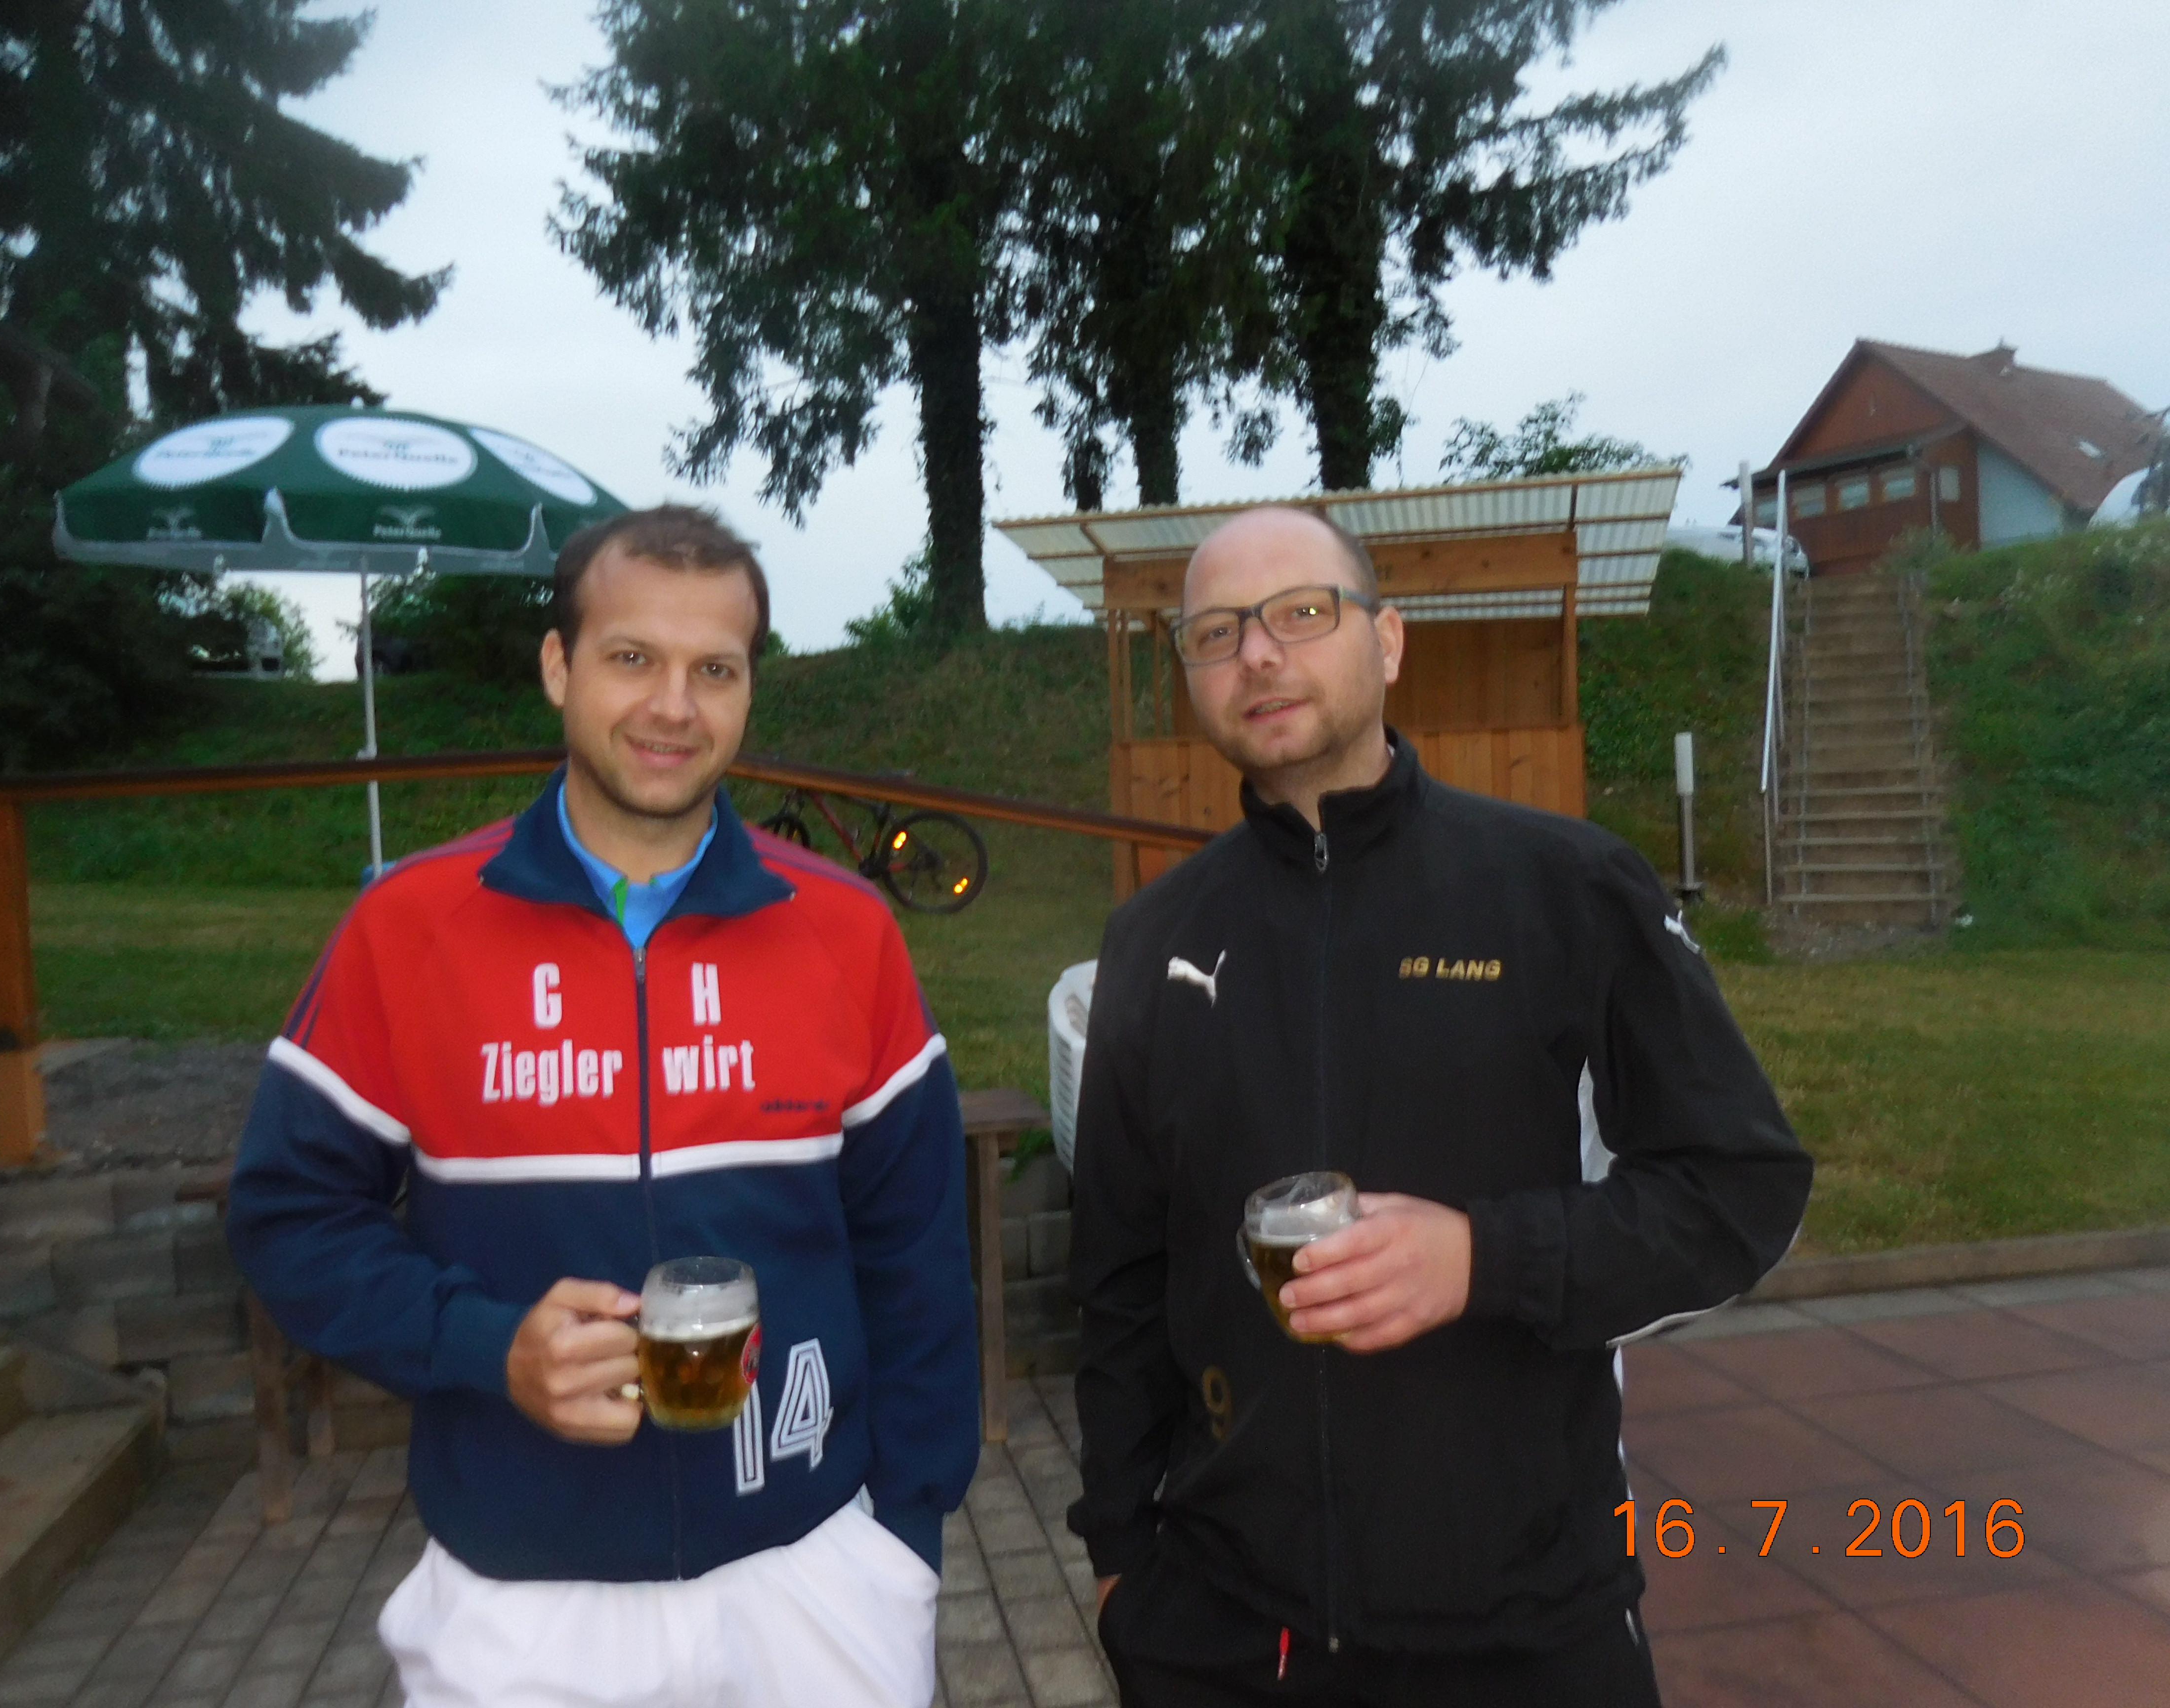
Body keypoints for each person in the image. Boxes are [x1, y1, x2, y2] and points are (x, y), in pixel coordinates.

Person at [227, 505, 979, 1708]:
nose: (673, 706)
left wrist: (905, 1543)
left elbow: (918, 1255)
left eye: (714, 670)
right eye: (633, 657)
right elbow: (290, 1220)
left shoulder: (845, 930)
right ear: (557, 666)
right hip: (524, 1601)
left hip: (815, 1579)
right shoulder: (411, 926)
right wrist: (487, 1344)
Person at [1067, 506, 1812, 1707]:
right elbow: (1117, 1280)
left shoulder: (1566, 889)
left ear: (1390, 640)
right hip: (1228, 1629)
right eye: (1216, 632)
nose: (1258, 653)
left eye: (1302, 613)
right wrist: (1120, 1569)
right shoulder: (1153, 941)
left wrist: (1484, 1258)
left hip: (1526, 1627)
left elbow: (1740, 1192)